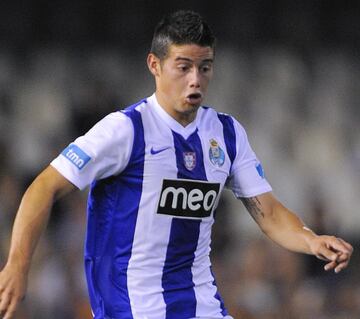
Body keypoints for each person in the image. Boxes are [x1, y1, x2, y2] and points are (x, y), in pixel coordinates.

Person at [0, 10, 353, 319]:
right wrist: (17, 264)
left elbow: (270, 213)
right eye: (183, 67)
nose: (195, 79)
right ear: (155, 65)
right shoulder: (125, 131)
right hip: (130, 307)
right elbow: (43, 187)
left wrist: (311, 240)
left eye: (205, 67)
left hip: (201, 305)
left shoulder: (226, 134)